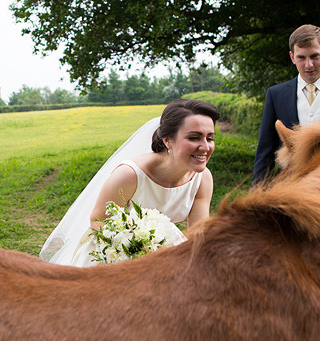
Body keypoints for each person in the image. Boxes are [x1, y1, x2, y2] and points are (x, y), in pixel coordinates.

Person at [39, 99, 220, 267]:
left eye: (209, 138)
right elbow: (98, 220)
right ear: (168, 141)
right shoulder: (130, 174)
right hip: (112, 255)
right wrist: (139, 246)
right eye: (194, 138)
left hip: (165, 257)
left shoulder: (203, 178)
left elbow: (198, 234)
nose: (205, 147)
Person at [252, 24, 320, 184]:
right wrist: (259, 194)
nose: (308, 65)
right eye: (301, 58)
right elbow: (266, 150)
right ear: (292, 57)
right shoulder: (276, 94)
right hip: (290, 186)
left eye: (314, 56)